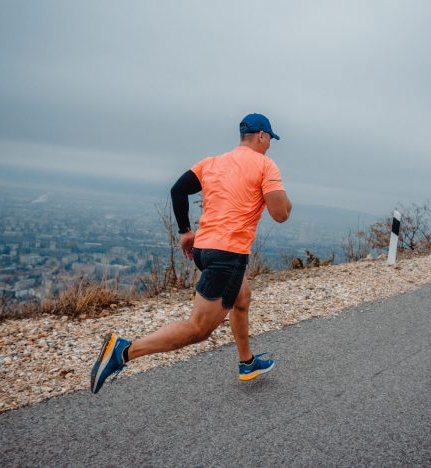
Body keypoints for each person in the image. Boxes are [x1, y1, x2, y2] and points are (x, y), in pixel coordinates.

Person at [91, 113, 292, 394]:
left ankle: (247, 362)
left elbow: (178, 190)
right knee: (199, 328)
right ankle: (123, 353)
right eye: (270, 138)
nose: (270, 144)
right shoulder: (265, 165)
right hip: (227, 255)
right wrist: (286, 198)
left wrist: (185, 231)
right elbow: (280, 214)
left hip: (203, 250)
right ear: (261, 135)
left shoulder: (212, 163)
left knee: (241, 297)